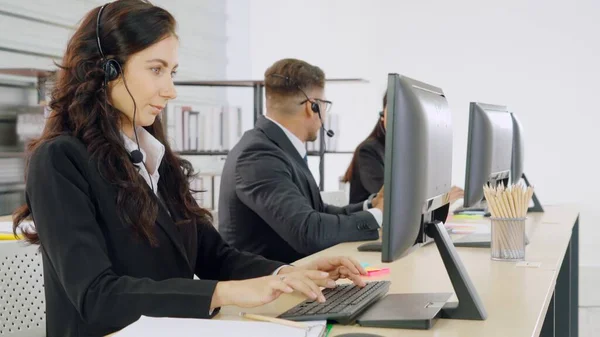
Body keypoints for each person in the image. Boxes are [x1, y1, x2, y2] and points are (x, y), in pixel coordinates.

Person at [12, 3, 367, 336]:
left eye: (172, 72)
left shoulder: (152, 158)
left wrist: (288, 273)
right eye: (156, 70)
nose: (170, 90)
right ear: (106, 70)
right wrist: (224, 294)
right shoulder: (59, 160)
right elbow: (97, 296)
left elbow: (214, 255)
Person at [218, 58, 384, 264]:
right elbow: (308, 231)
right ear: (312, 107)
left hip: (294, 278)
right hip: (267, 287)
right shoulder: (257, 156)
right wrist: (378, 216)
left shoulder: (280, 147)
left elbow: (317, 212)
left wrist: (370, 206)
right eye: (324, 105)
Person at [342, 92, 464, 204]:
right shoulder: (368, 151)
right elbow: (390, 199)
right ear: (383, 116)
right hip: (370, 225)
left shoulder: (404, 151)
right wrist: (442, 200)